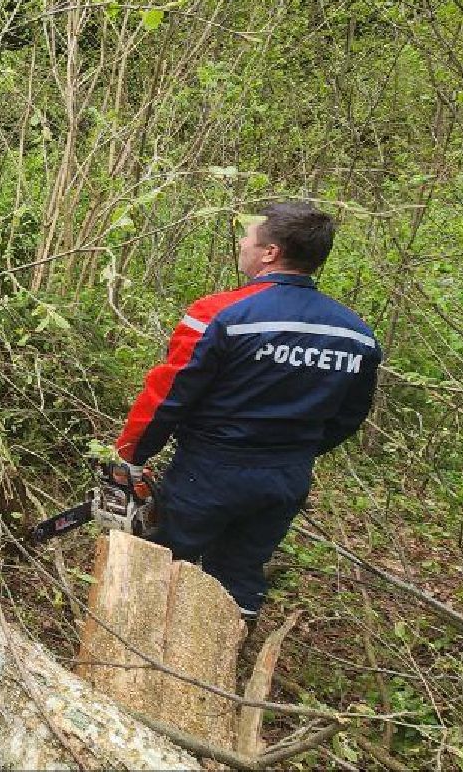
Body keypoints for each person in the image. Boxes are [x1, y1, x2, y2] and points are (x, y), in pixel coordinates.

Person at [112, 200, 379, 618]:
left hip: (211, 471)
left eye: (248, 236)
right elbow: (350, 415)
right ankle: (222, 662)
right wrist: (293, 451)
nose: (242, 243)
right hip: (287, 478)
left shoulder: (219, 313)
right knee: (239, 574)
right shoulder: (355, 334)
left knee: (158, 563)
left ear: (270, 252)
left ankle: (128, 657)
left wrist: (130, 455)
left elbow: (168, 396)